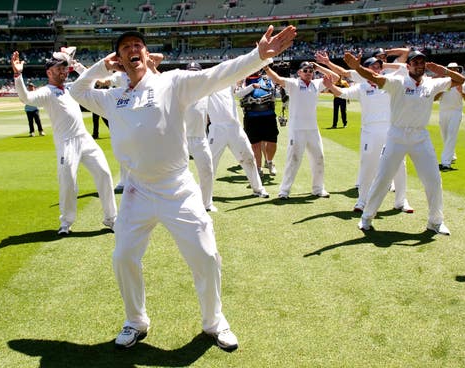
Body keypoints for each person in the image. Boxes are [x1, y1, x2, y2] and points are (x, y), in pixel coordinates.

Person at [69, 26, 297, 351]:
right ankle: (136, 321)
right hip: (137, 190)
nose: (132, 50)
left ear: (148, 56)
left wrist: (257, 57)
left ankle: (214, 321)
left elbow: (217, 76)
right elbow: (77, 91)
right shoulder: (113, 97)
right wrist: (101, 68)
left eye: (138, 46)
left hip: (176, 186)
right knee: (123, 257)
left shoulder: (171, 83)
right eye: (124, 49)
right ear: (118, 60)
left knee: (205, 255)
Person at [344, 50, 465, 235]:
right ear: (407, 66)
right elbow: (374, 77)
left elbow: (461, 81)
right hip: (396, 136)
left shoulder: (431, 84)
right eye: (415, 62)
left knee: (433, 180)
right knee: (383, 179)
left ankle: (435, 222)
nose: (419, 65)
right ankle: (367, 217)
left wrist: (444, 70)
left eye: (421, 62)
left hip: (420, 137)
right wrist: (356, 67)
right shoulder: (398, 82)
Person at [11, 50, 117, 235]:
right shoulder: (46, 92)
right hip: (67, 143)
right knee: (68, 182)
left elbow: (89, 79)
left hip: (85, 139)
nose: (63, 71)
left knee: (104, 174)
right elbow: (26, 98)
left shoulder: (71, 88)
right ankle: (66, 223)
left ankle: (111, 218)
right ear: (49, 72)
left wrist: (75, 64)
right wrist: (18, 74)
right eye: (59, 68)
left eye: (64, 68)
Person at [321, 56, 413, 214]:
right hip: (370, 133)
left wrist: (384, 65)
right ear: (365, 70)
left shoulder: (390, 81)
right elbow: (343, 93)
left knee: (399, 166)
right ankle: (362, 201)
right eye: (373, 67)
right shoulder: (362, 87)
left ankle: (401, 201)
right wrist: (330, 86)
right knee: (367, 166)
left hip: (392, 130)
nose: (376, 70)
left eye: (378, 67)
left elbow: (405, 68)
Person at [264, 60, 339, 199]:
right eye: (305, 70)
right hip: (297, 129)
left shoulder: (316, 84)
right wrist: (266, 68)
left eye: (311, 71)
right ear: (299, 72)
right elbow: (278, 79)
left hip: (312, 129)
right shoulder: (294, 84)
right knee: (293, 159)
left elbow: (336, 78)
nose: (309, 73)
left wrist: (319, 67)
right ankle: (284, 191)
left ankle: (318, 189)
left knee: (319, 158)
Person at [208, 83, 269, 198]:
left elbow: (239, 94)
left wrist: (251, 87)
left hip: (235, 128)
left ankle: (258, 189)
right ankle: (204, 195)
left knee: (249, 157)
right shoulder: (206, 86)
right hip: (217, 129)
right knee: (210, 162)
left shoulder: (229, 84)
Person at [234, 65, 279, 177]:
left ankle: (269, 162)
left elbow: (276, 94)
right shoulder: (243, 80)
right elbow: (238, 94)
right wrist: (252, 87)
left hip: (268, 115)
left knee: (272, 142)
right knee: (255, 145)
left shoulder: (267, 79)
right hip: (251, 116)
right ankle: (258, 168)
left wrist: (280, 91)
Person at [184, 61, 216, 212]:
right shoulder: (179, 89)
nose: (193, 74)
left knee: (207, 171)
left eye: (195, 71)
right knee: (177, 175)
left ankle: (206, 204)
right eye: (190, 71)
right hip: (180, 139)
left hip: (200, 138)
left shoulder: (206, 89)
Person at [436, 62, 465, 170]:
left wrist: (461, 93)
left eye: (454, 69)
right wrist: (441, 91)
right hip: (443, 112)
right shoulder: (442, 82)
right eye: (450, 69)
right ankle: (451, 156)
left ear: (457, 70)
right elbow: (434, 98)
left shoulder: (463, 82)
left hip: (456, 112)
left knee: (451, 135)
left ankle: (445, 162)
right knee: (445, 136)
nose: (452, 71)